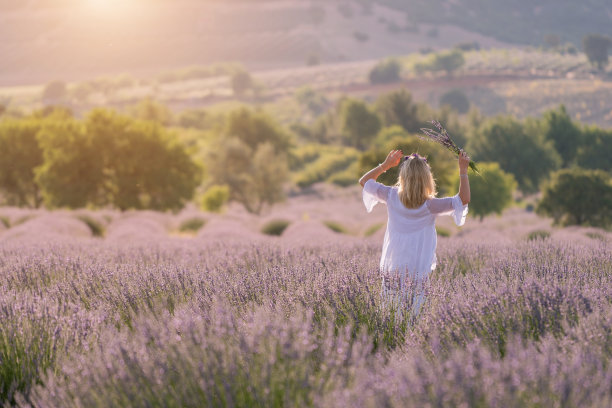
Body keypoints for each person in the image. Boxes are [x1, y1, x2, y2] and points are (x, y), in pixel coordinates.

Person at [359, 150, 471, 319]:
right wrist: (463, 171)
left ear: (403, 176)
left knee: (391, 312)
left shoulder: (391, 195)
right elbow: (463, 200)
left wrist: (385, 165)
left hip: (394, 266)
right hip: (418, 269)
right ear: (427, 178)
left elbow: (364, 181)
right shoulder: (431, 205)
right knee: (415, 314)